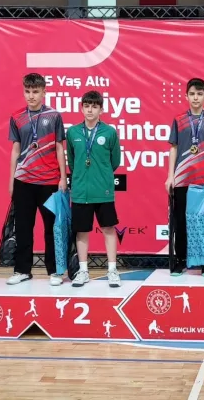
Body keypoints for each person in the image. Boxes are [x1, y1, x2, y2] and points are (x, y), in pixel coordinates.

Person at [6, 73, 68, 286]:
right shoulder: (16, 117)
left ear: (44, 92)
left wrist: (63, 177)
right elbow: (15, 150)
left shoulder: (54, 116)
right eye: (27, 91)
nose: (31, 96)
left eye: (35, 91)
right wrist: (12, 179)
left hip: (49, 181)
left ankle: (55, 271)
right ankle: (22, 270)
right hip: (23, 181)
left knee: (52, 229)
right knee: (23, 227)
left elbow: (59, 147)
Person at [165, 78, 204, 276]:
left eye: (200, 94)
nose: (196, 98)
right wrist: (170, 176)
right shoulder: (179, 119)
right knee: (181, 222)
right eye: (192, 94)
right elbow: (173, 148)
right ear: (186, 96)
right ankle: (181, 260)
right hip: (182, 179)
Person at [66, 90, 122, 287]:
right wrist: (82, 177)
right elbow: (72, 161)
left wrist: (101, 176)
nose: (90, 110)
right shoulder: (72, 132)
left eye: (94, 106)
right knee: (81, 231)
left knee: (108, 229)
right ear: (81, 108)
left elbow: (115, 161)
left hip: (103, 191)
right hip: (80, 191)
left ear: (101, 110)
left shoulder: (109, 132)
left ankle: (112, 270)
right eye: (87, 106)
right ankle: (83, 271)